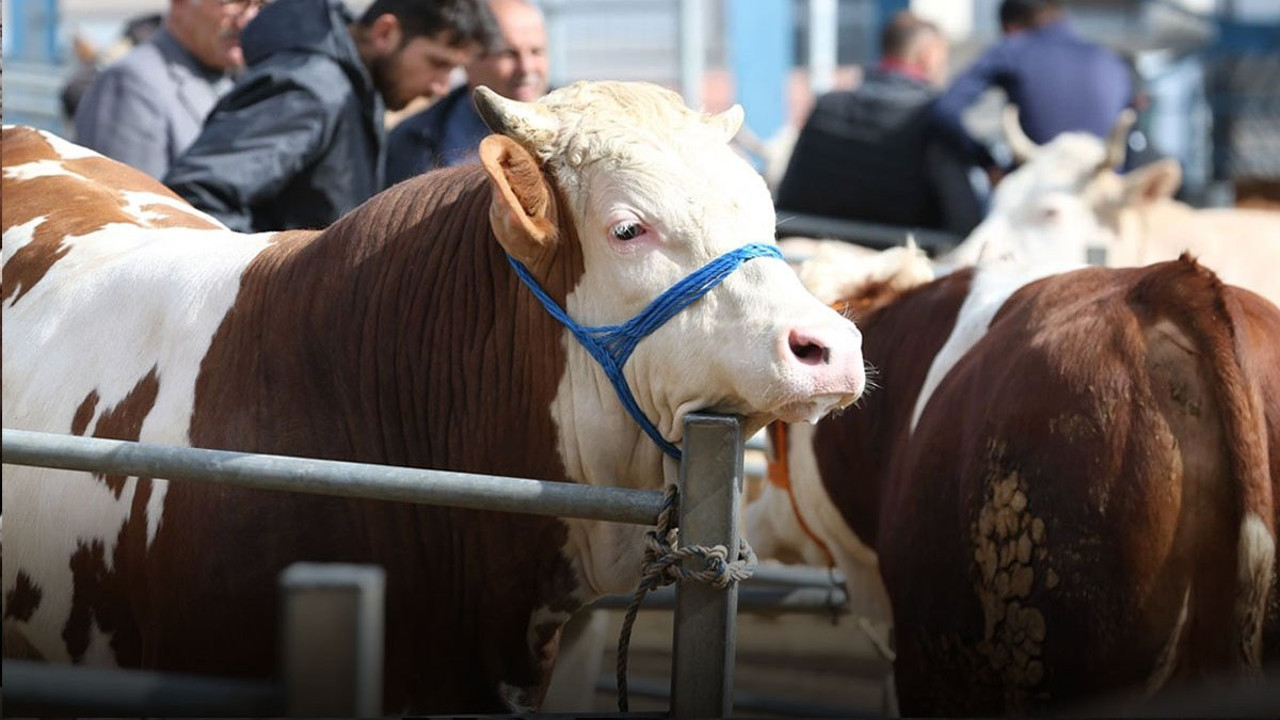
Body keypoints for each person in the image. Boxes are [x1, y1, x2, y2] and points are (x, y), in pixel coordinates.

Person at [165, 0, 497, 233]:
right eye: (438, 63)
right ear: (385, 32)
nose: (442, 86)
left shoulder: (353, 90)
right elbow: (195, 197)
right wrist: (280, 286)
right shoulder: (316, 89)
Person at [774, 11, 982, 238]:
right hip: (906, 255)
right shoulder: (933, 116)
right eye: (944, 59)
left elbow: (789, 197)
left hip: (809, 245)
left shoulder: (827, 105)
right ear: (928, 56)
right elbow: (964, 218)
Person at [931, 0, 1133, 183]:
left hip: (1040, 190)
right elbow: (1129, 130)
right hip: (1105, 189)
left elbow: (945, 110)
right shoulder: (1111, 60)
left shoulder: (1012, 50)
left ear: (1011, 28)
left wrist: (987, 163)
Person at [72, 1, 256, 179]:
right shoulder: (132, 84)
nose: (247, 19)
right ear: (180, 3)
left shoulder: (239, 79)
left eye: (260, 4)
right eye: (234, 1)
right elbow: (133, 202)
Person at [384, 0, 548, 185]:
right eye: (508, 54)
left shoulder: (574, 135)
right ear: (469, 60)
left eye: (537, 52)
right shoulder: (410, 142)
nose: (526, 68)